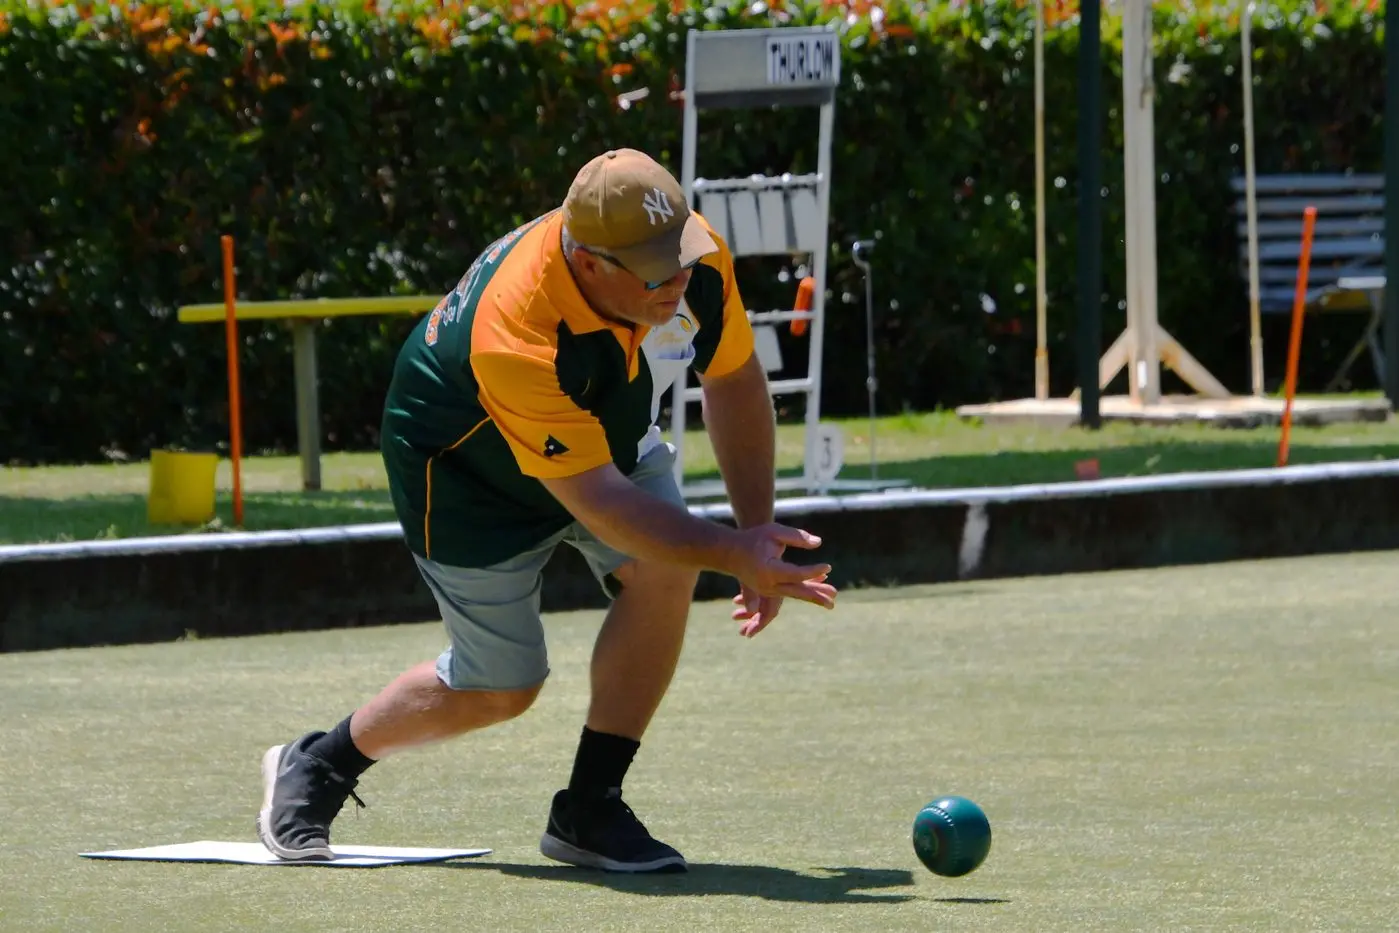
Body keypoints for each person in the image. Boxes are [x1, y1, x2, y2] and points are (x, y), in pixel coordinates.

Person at [255, 148, 837, 874]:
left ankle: (590, 808)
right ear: (589, 262)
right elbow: (602, 504)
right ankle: (320, 761)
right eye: (657, 268)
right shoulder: (518, 330)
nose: (680, 277)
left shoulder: (693, 257)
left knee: (667, 566)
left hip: (599, 431)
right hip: (464, 468)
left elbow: (733, 379)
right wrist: (729, 551)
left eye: (680, 254)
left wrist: (755, 535)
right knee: (502, 687)